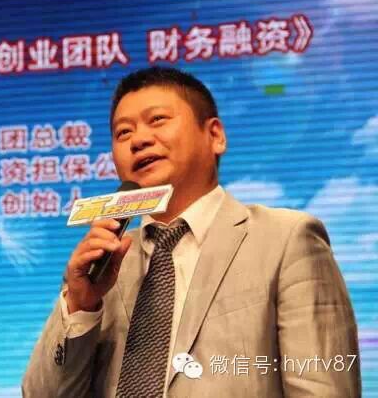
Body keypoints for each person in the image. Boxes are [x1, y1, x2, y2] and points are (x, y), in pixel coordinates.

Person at [21, 66, 360, 397]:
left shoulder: (286, 239)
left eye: (157, 120)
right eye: (123, 132)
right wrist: (81, 304)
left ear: (215, 136)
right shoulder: (101, 264)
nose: (139, 140)